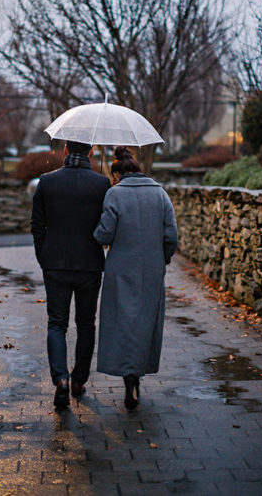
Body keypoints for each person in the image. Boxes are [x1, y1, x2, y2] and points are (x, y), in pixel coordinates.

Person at [93, 146, 178, 409]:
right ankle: (136, 374)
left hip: (121, 268)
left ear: (118, 174)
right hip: (152, 267)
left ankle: (128, 376)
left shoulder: (114, 194)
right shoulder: (160, 194)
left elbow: (104, 234)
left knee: (123, 320)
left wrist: (97, 230)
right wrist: (161, 259)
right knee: (145, 320)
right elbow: (171, 236)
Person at [30, 140, 110, 410]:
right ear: (91, 151)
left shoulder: (46, 181)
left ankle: (60, 379)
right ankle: (78, 380)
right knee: (87, 324)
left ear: (65, 150)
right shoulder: (101, 184)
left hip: (55, 263)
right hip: (89, 263)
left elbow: (37, 224)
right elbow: (106, 225)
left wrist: (44, 255)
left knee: (57, 323)